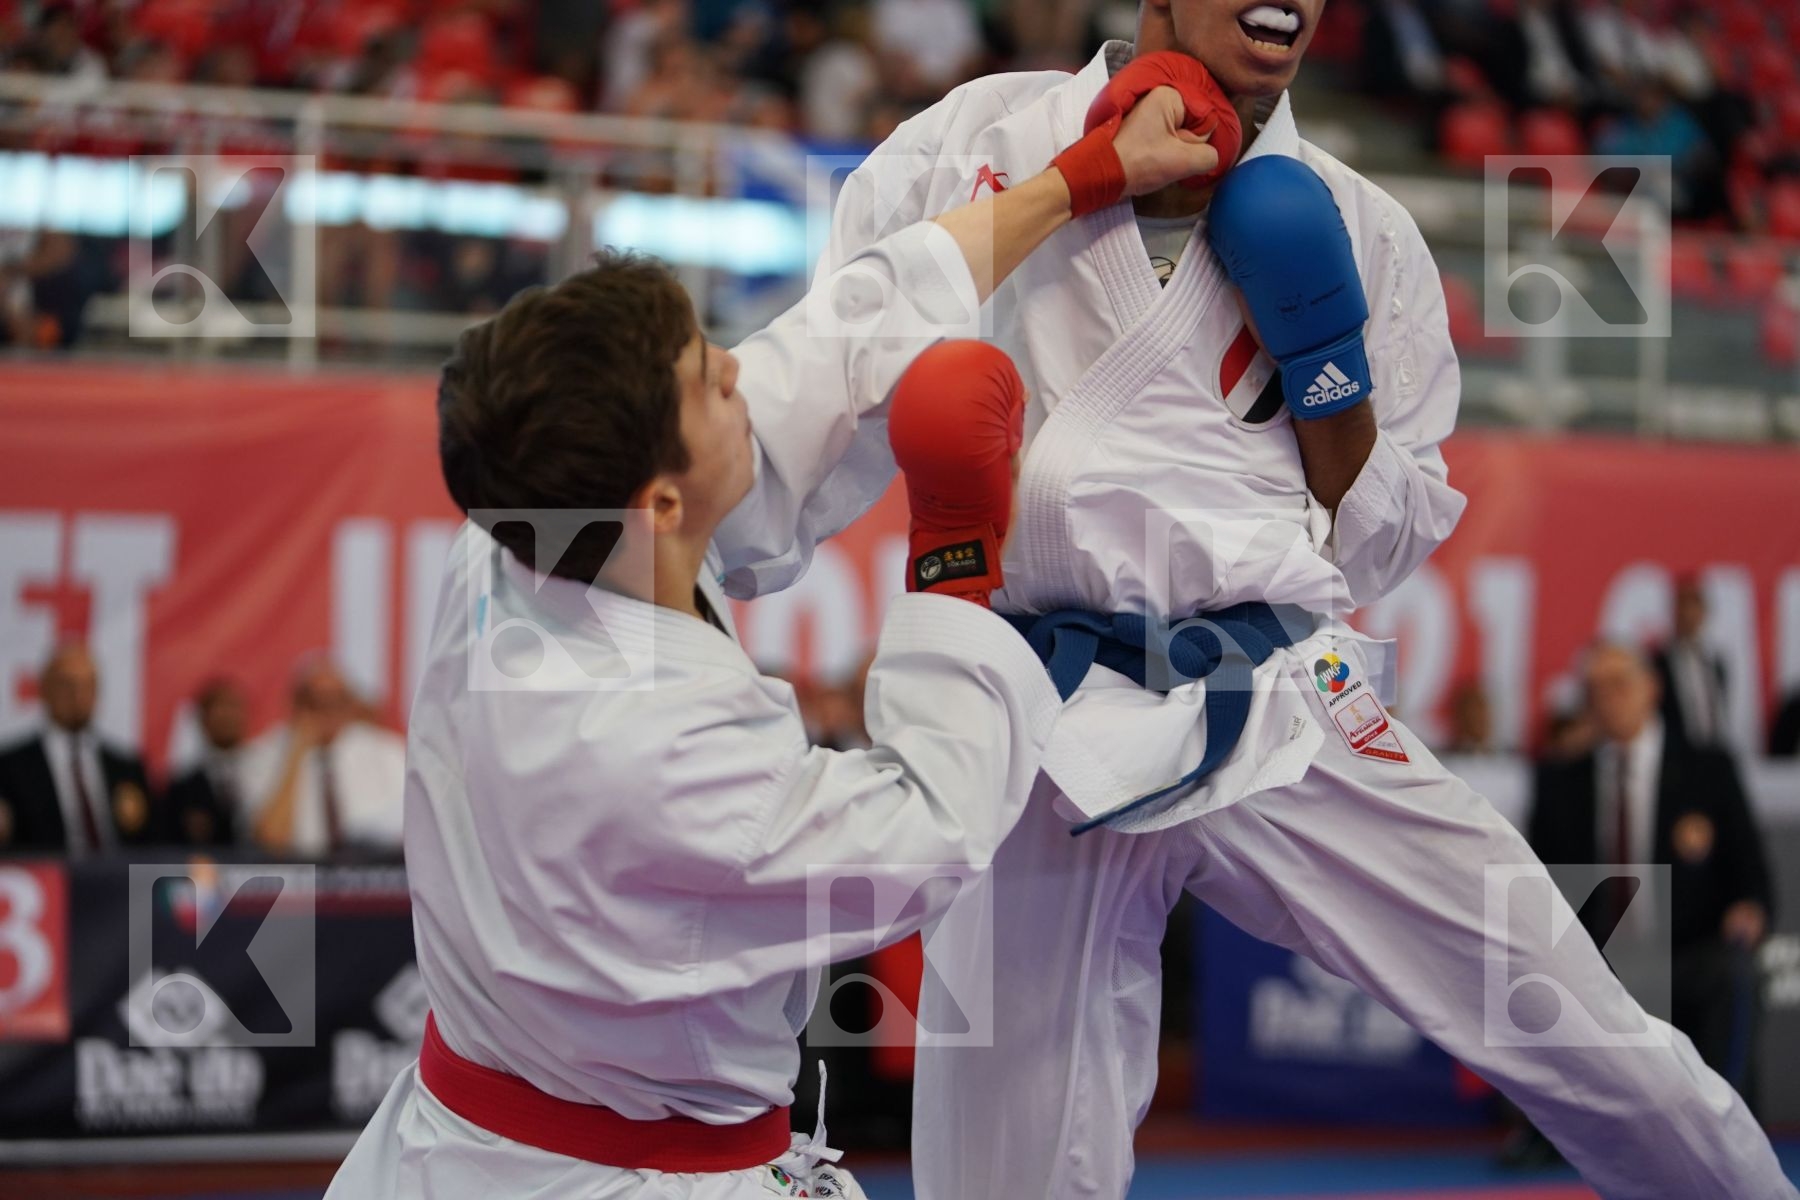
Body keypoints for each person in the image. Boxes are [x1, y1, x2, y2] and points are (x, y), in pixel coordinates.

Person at [711, 2, 1798, 1196]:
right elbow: (831, 382)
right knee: (1004, 1167)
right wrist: (688, 581)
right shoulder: (972, 146)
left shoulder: (1361, 229)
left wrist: (1326, 380)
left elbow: (1381, 538)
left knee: (1574, 1022)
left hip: (1281, 687)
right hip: (1043, 710)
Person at [329, 83, 1216, 1197]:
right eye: (709, 382)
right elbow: (927, 831)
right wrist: (952, 556)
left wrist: (1077, 182)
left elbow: (838, 340)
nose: (740, 372)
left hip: (468, 1138)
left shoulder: (527, 532)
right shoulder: (650, 744)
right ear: (658, 502)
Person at [1531, 642, 1776, 1112]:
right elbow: (1544, 887)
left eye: (1619, 684)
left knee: (1730, 972)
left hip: (1688, 950)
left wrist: (1749, 908)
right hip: (1598, 961)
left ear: (1652, 689)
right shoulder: (1562, 780)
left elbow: (1751, 874)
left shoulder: (1708, 769)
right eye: (1595, 690)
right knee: (1531, 967)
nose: (1608, 699)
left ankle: (1724, 1117)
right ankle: (1545, 1128)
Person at [0, 641, 160, 854]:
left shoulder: (126, 767)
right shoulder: (11, 767)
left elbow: (152, 842)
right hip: (50, 882)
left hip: (118, 881)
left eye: (88, 685)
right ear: (44, 689)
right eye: (66, 684)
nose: (77, 695)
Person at [242, 657, 405, 858]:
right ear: (296, 704)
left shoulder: (387, 753)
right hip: (297, 878)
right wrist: (298, 751)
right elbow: (271, 840)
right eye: (315, 702)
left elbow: (406, 835)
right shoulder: (263, 756)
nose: (327, 712)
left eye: (336, 701)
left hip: (372, 876)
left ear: (350, 704)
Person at [165, 677, 252, 848]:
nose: (227, 716)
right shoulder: (183, 785)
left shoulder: (266, 772)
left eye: (233, 706)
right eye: (219, 707)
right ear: (202, 718)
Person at [1652, 574, 1730, 751]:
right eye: (1682, 604)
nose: (1688, 612)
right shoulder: (1657, 663)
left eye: (1695, 604)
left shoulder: (1717, 662)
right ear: (1673, 610)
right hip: (1677, 756)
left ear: (1705, 611)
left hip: (1715, 753)